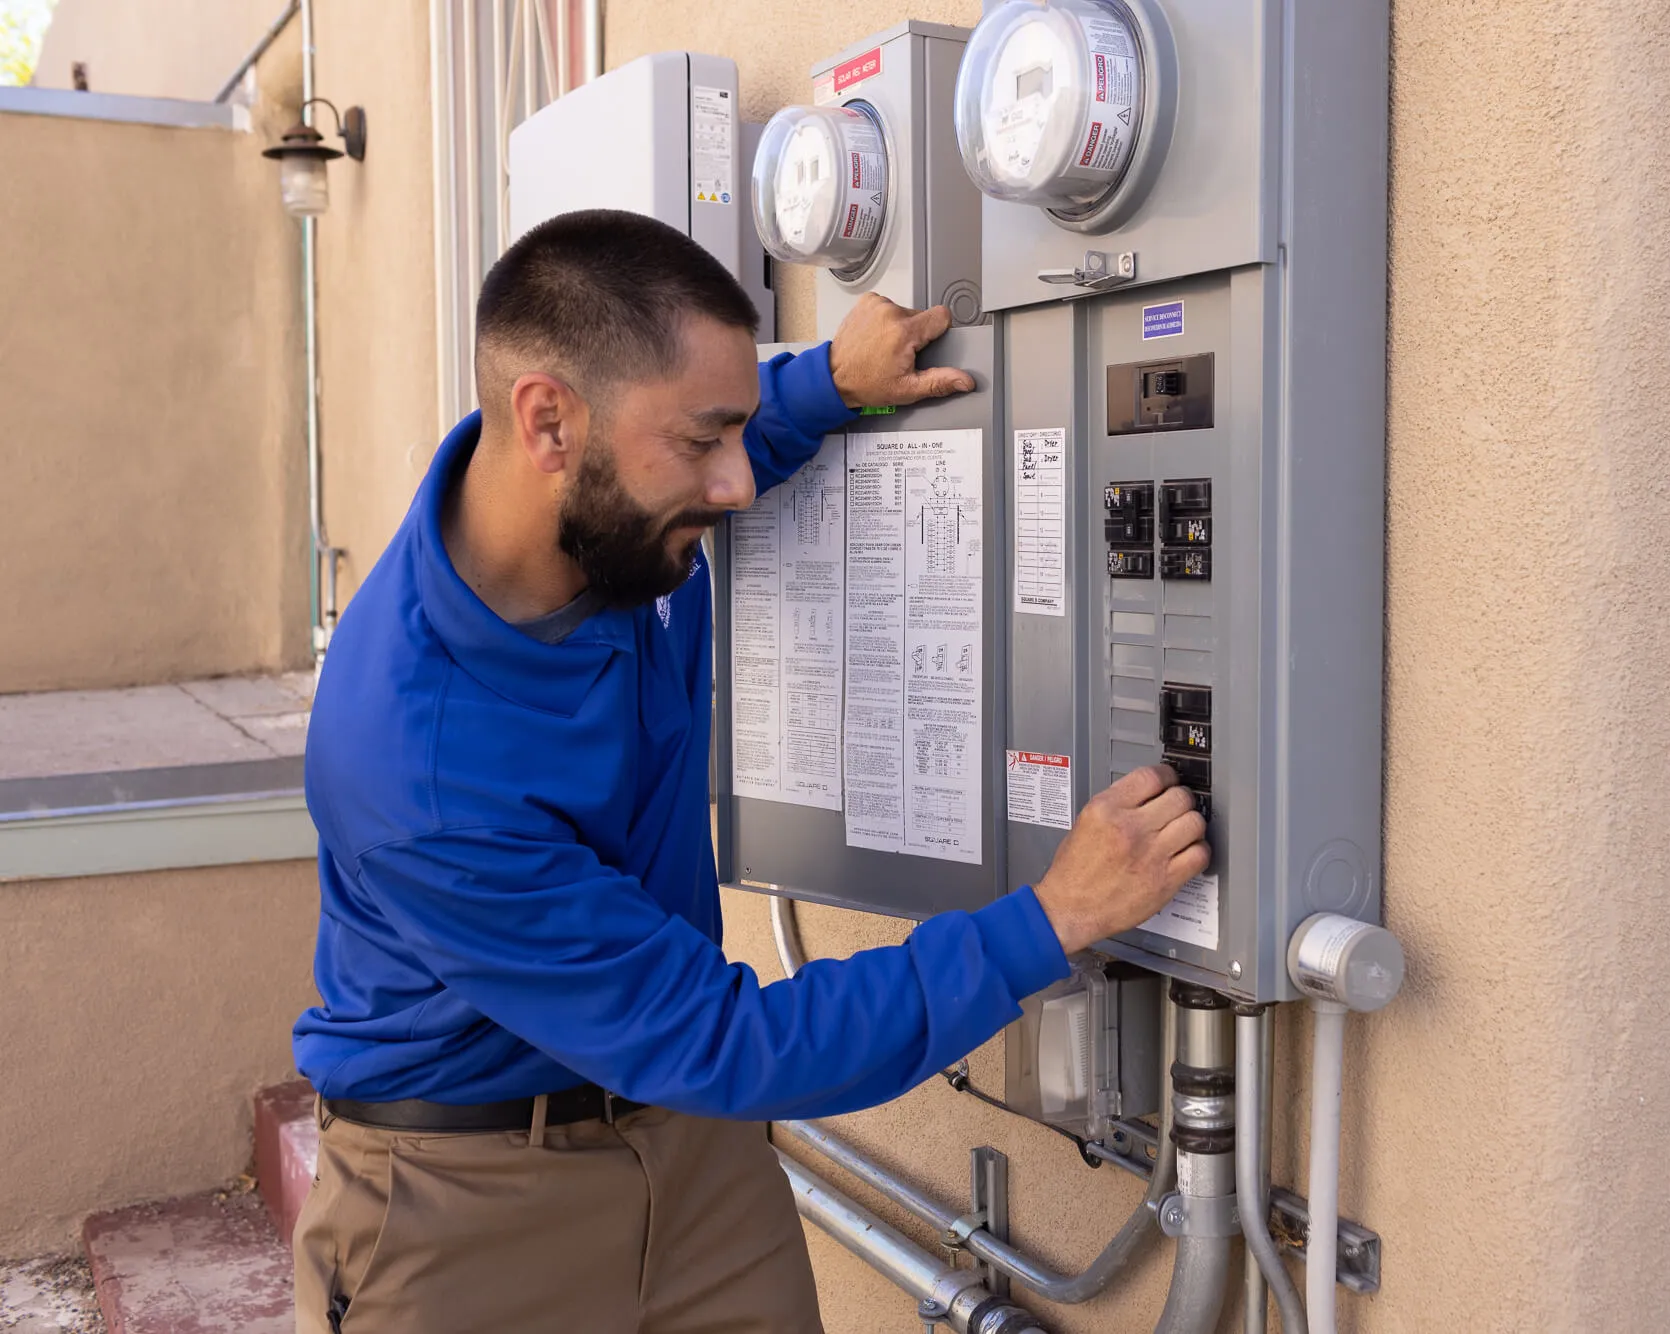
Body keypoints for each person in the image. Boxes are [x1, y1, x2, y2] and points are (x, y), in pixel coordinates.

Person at [291, 208, 1208, 1334]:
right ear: (548, 423)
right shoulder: (416, 762)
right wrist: (1051, 918)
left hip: (691, 1147)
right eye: (701, 442)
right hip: (465, 1200)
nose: (734, 484)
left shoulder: (601, 519)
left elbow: (725, 429)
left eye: (735, 432)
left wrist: (827, 382)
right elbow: (726, 1040)